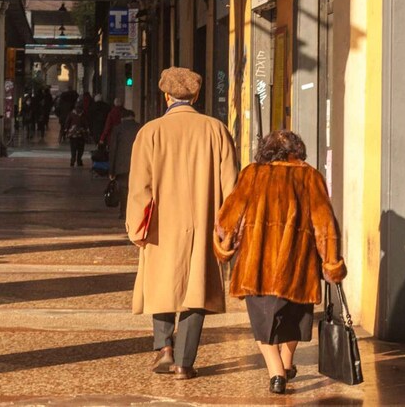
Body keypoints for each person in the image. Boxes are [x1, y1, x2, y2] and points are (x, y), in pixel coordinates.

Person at [125, 67, 239, 380]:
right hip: (203, 223)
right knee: (196, 290)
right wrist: (228, 228)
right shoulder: (216, 130)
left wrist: (136, 228)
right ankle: (184, 363)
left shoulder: (150, 132)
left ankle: (164, 347)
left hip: (162, 225)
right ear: (197, 96)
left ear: (166, 97)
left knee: (162, 284)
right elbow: (232, 186)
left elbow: (140, 188)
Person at [214, 129, 346, 394]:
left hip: (257, 265)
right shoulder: (311, 177)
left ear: (266, 151)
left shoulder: (252, 174)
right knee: (295, 320)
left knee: (263, 324)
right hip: (298, 267)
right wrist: (331, 262)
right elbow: (325, 225)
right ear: (298, 151)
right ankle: (285, 364)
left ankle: (277, 373)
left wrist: (224, 246)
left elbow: (228, 218)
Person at [108, 109, 140, 220]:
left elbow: (113, 150)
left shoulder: (118, 129)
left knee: (123, 190)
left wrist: (111, 170)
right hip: (139, 165)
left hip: (122, 166)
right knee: (137, 189)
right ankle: (136, 212)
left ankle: (124, 212)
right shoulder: (141, 128)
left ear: (122, 118)